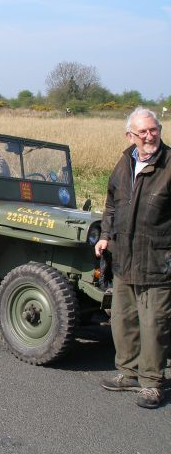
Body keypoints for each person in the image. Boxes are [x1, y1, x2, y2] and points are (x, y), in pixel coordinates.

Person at [95, 106, 171, 409]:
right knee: (123, 319)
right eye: (143, 132)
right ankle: (128, 373)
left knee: (154, 324)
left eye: (154, 130)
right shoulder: (125, 163)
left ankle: (152, 383)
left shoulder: (169, 164)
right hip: (124, 257)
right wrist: (105, 235)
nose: (150, 136)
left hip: (158, 260)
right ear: (130, 135)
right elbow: (112, 203)